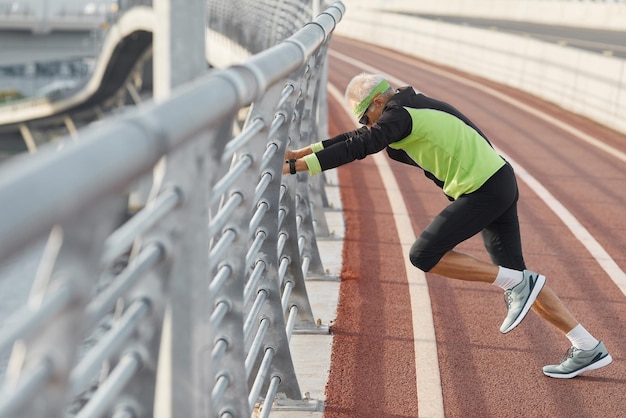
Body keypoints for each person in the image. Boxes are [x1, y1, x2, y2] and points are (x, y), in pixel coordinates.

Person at [283, 73, 612, 378]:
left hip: (483, 190)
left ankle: (516, 282)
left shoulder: (400, 115)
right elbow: (358, 137)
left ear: (378, 103)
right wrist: (301, 152)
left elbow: (361, 146)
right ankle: (587, 346)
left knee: (424, 254)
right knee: (523, 281)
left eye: (366, 116)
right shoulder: (407, 105)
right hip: (495, 181)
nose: (367, 123)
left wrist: (297, 169)